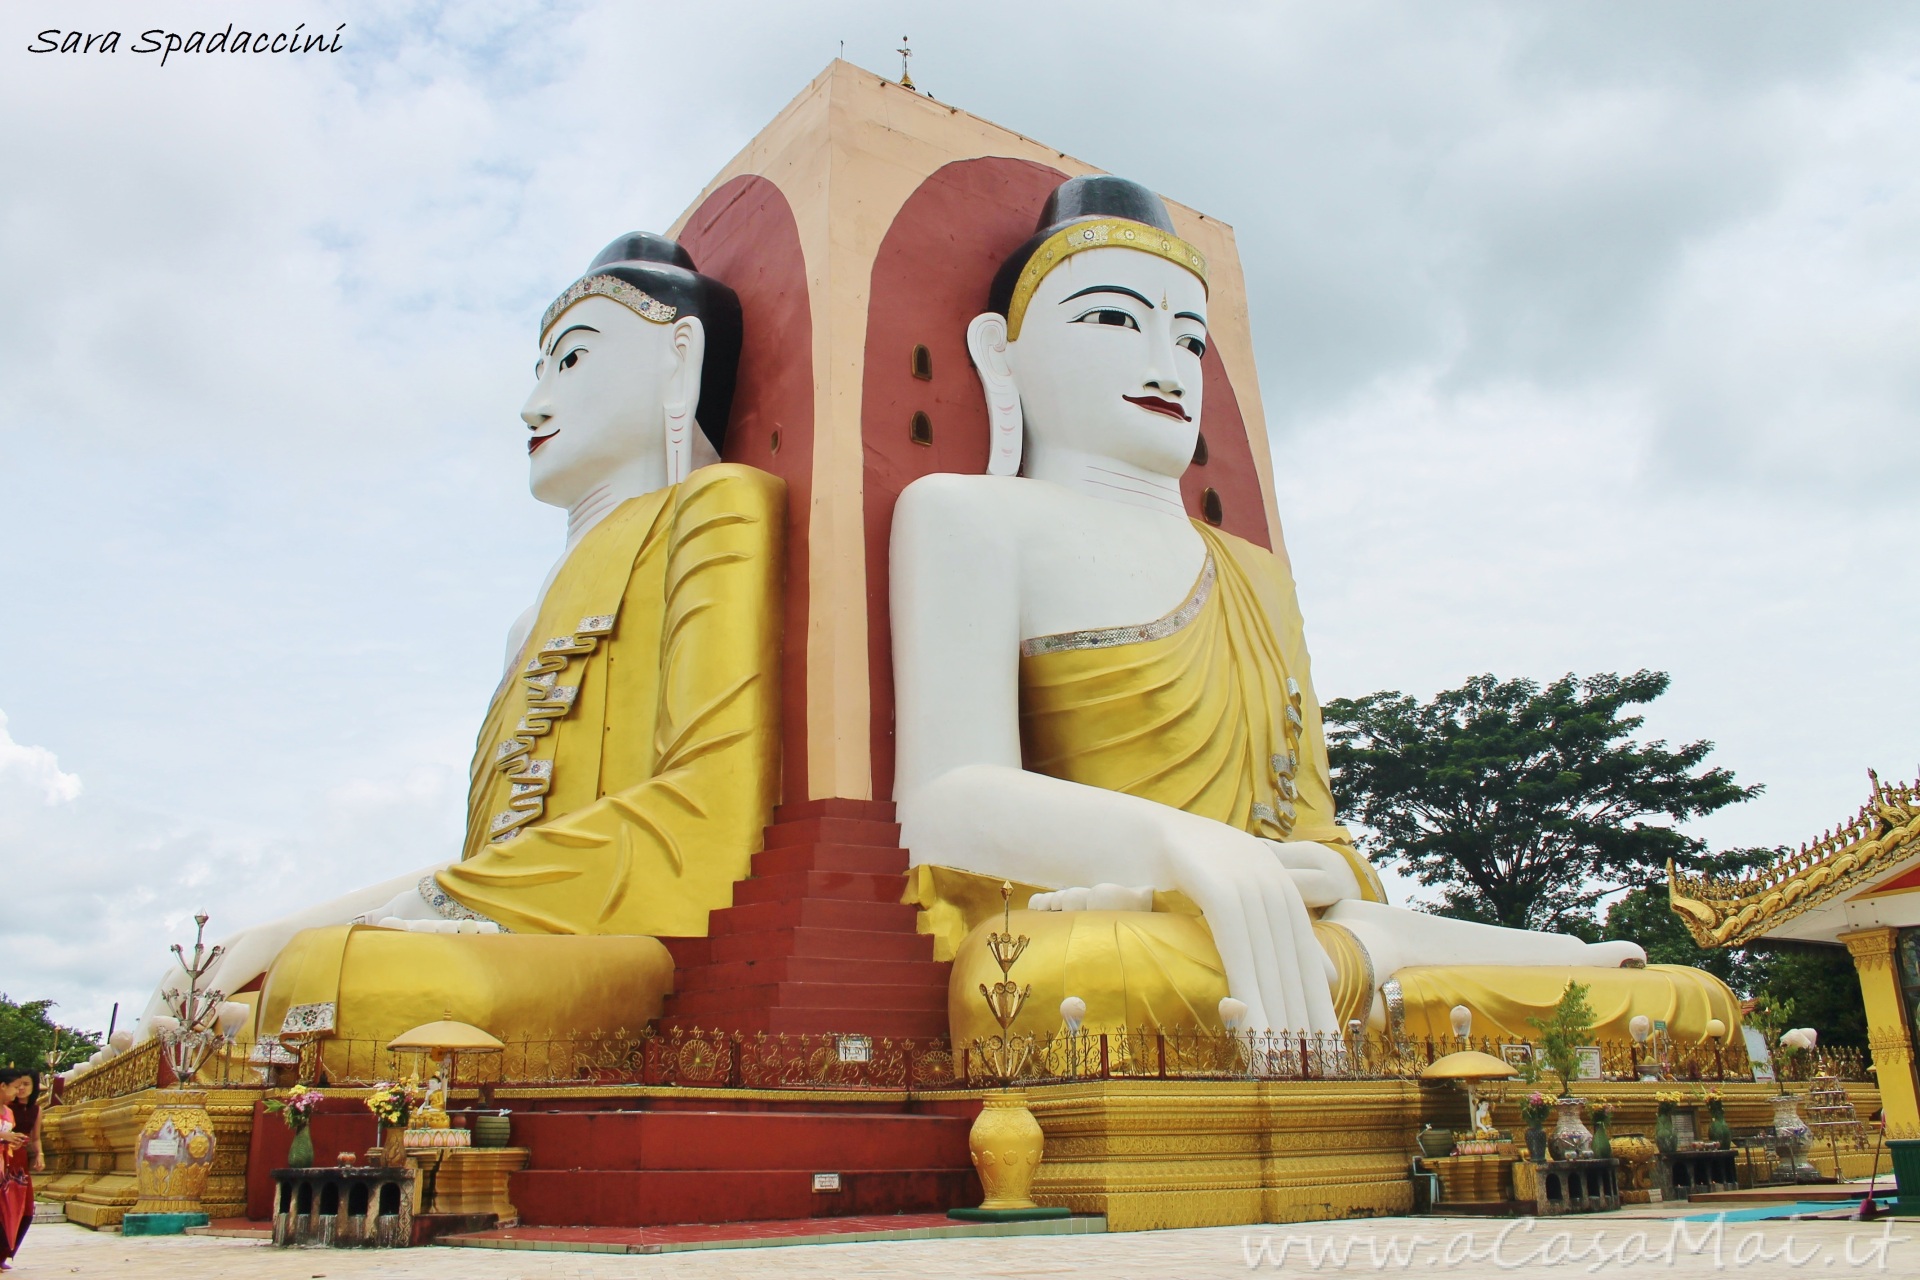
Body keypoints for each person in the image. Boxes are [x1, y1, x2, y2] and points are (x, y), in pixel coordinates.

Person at [891, 175, 1682, 1038]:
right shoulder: (967, 514)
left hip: (1278, 923)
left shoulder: (1255, 574)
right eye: (1113, 319)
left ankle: (1379, 961)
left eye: (1189, 340)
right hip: (1126, 919)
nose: (1165, 367)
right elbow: (946, 799)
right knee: (1059, 975)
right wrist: (1180, 848)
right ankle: (1381, 976)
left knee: (1680, 998)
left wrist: (1321, 872)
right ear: (1000, 352)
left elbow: (1314, 829)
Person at [139, 231, 786, 1048]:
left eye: (572, 362)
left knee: (363, 977)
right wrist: (281, 934)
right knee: (297, 967)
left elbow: (706, 808)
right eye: (540, 370)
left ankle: (269, 1029)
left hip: (626, 938)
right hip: (514, 923)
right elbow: (495, 853)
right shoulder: (529, 622)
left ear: (678, 357)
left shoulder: (717, 508)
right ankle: (251, 1024)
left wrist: (395, 919)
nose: (534, 405)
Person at [0, 1069, 34, 1272]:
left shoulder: (9, 1113)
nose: (17, 1091)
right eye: (15, 1087)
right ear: (3, 1086)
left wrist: (13, 1141)